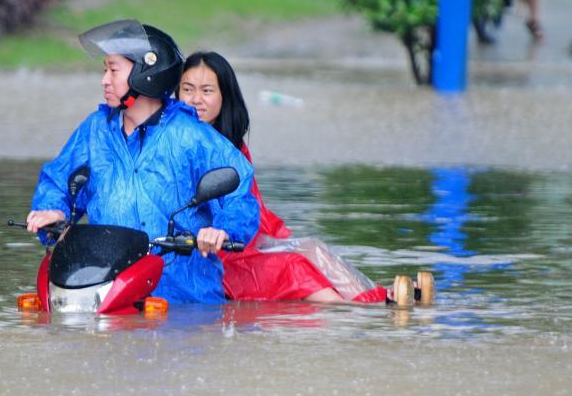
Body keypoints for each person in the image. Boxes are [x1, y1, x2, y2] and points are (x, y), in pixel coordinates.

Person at [26, 20, 259, 304]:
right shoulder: (94, 130)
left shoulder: (192, 135)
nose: (104, 80)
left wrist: (222, 229)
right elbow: (58, 182)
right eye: (104, 70)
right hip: (105, 287)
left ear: (146, 73)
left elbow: (240, 194)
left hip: (182, 296)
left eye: (113, 70)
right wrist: (53, 211)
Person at [178, 51, 419, 305]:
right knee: (294, 267)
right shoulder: (174, 141)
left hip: (237, 237)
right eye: (188, 89)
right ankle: (364, 309)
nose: (196, 100)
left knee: (311, 248)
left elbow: (245, 207)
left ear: (225, 96)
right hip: (209, 251)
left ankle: (376, 297)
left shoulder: (232, 147)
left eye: (207, 91)